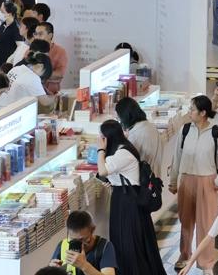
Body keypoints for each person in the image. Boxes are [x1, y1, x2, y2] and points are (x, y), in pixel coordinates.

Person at [169, 95, 218, 273]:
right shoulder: (185, 130)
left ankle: (206, 262)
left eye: (192, 109)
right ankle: (184, 255)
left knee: (206, 224)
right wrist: (173, 181)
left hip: (207, 182)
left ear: (203, 113)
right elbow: (177, 157)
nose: (189, 112)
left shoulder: (216, 132)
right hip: (186, 181)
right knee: (185, 221)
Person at [97, 120, 166, 275]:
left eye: (101, 137)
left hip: (129, 202)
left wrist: (100, 149)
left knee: (130, 244)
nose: (99, 140)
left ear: (108, 138)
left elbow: (102, 171)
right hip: (123, 199)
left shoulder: (123, 153)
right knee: (123, 242)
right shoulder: (120, 149)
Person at [49, 210, 118, 275]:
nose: (78, 244)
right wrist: (52, 270)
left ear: (92, 230)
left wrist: (84, 265)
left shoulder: (105, 247)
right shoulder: (63, 245)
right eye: (73, 240)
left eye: (82, 239)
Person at [116, 97, 164, 178]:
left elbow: (126, 163)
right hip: (155, 178)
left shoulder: (135, 135)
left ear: (125, 117)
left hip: (143, 181)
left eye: (119, 118)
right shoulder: (150, 126)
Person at [0, 0, 24, 70]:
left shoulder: (15, 28)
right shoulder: (3, 24)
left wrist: (11, 59)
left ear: (9, 13)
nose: (0, 14)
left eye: (2, 12)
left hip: (7, 62)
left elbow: (20, 46)